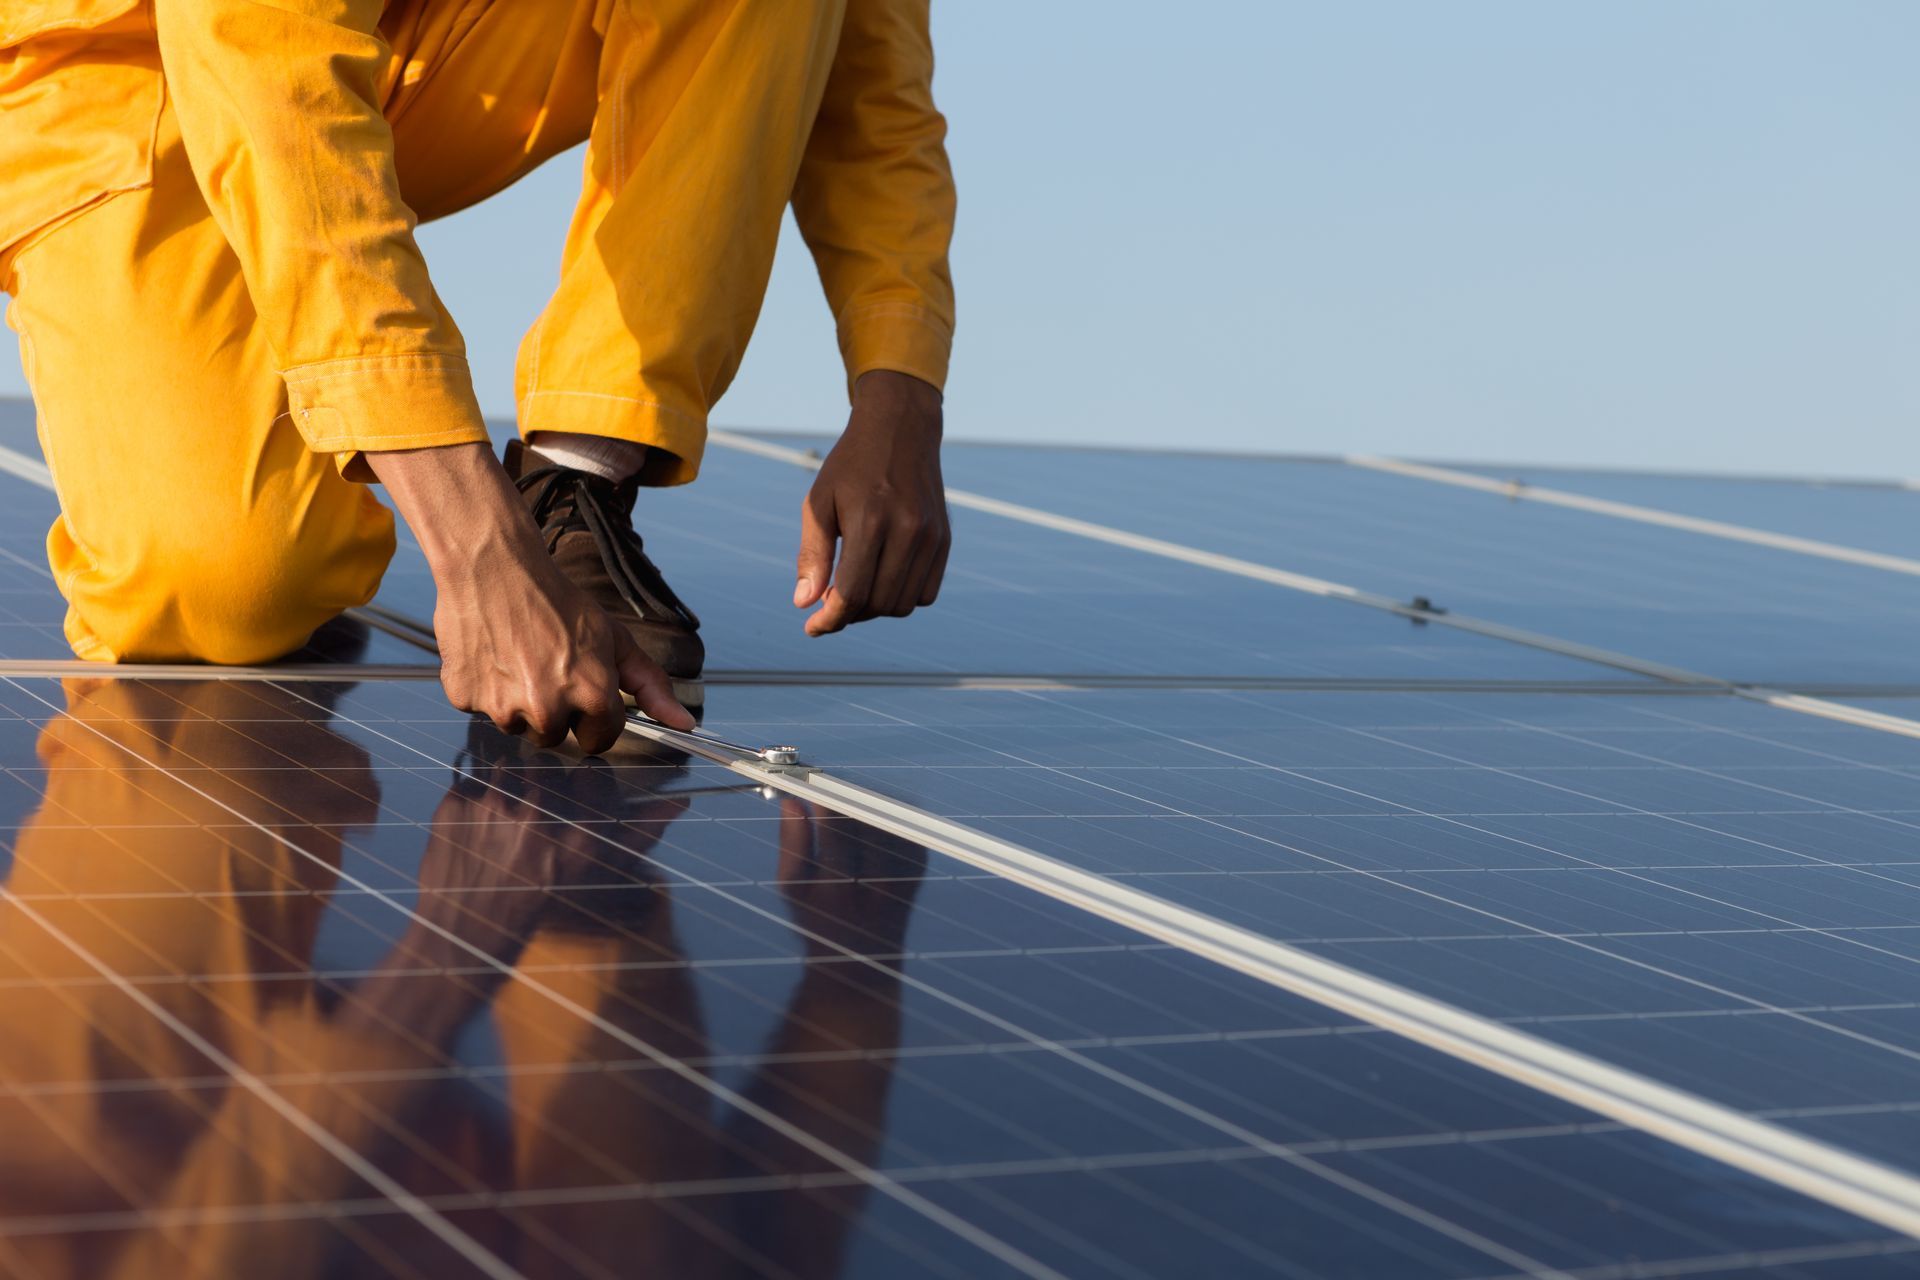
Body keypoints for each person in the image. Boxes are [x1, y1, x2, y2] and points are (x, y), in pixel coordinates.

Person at [0, 0, 957, 755]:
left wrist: (900, 387)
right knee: (222, 592)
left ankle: (577, 482)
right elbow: (261, 54)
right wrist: (473, 551)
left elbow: (867, 66)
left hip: (416, 45)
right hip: (123, 74)